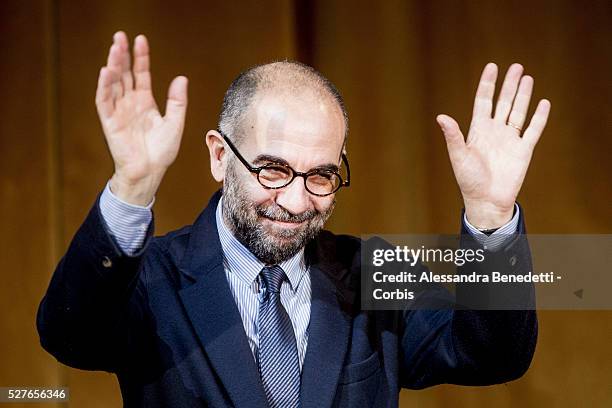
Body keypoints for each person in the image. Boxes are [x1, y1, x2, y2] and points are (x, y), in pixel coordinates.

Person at [37, 31, 550, 407]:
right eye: (274, 169)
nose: (298, 202)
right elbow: (70, 335)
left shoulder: (373, 274)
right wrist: (132, 187)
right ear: (220, 156)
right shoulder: (153, 279)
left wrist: (490, 214)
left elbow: (493, 354)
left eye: (321, 176)